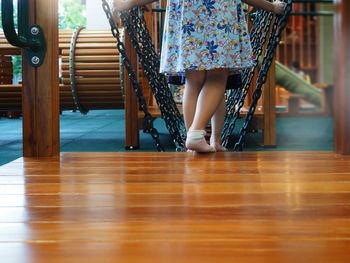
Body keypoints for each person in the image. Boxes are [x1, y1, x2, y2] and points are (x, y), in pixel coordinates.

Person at [115, 0, 286, 153]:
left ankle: (206, 139)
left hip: (187, 13)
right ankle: (196, 134)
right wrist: (271, 7)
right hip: (218, 11)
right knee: (218, 76)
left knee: (194, 80)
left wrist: (128, 3)